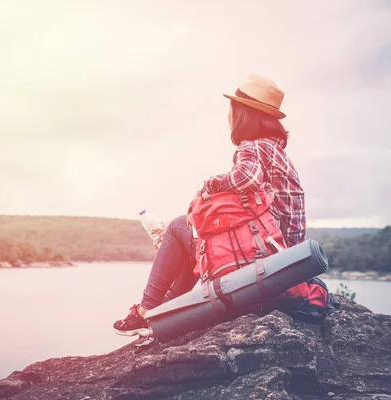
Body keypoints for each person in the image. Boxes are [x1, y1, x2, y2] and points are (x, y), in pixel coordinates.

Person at [113, 74, 306, 336]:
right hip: (278, 266)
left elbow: (245, 177)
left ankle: (147, 310)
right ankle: (161, 312)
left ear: (244, 114)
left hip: (257, 260)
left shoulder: (251, 147)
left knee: (179, 227)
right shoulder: (276, 151)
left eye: (232, 108)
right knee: (193, 239)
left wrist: (209, 185)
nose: (229, 115)